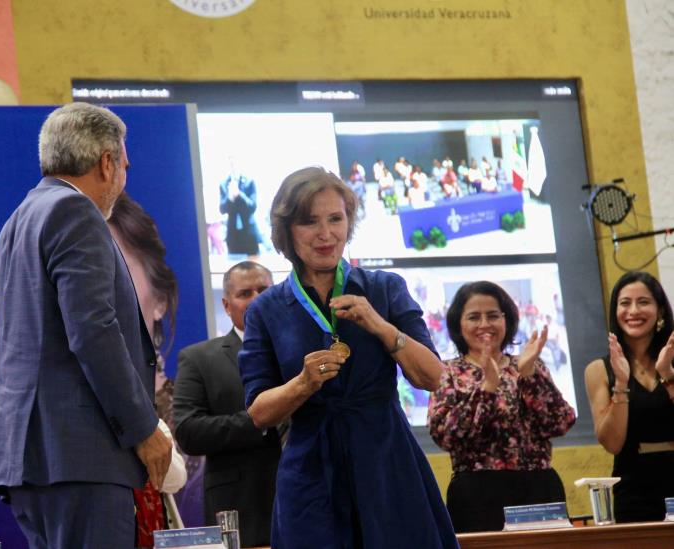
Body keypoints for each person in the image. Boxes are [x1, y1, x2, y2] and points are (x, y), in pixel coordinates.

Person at [239, 166, 458, 549]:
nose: (326, 234)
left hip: (386, 461)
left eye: (335, 219)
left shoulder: (386, 288)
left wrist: (380, 325)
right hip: (310, 473)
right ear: (287, 230)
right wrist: (303, 384)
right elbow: (259, 412)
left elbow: (434, 378)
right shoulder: (266, 309)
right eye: (310, 222)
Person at [0, 102, 172, 549]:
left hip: (33, 463)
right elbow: (93, 332)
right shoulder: (76, 212)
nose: (124, 177)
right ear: (106, 164)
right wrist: (144, 428)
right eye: (124, 165)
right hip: (80, 458)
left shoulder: (19, 220)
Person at [428, 281, 575, 533]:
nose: (485, 324)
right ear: (458, 324)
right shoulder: (448, 372)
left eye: (493, 315)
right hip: (477, 495)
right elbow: (446, 435)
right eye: (474, 317)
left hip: (538, 489)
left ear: (506, 320)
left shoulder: (530, 364)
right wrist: (487, 389)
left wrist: (529, 375)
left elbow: (560, 422)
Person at [173, 261, 281, 548]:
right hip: (241, 511)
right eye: (245, 293)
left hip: (313, 501)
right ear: (227, 305)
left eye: (264, 290)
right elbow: (188, 432)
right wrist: (257, 420)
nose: (256, 299)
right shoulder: (199, 358)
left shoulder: (305, 352)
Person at [108, 192, 187, 547]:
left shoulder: (181, 406)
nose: (95, 288)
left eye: (113, 269)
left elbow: (173, 477)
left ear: (159, 301)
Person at [584, 271, 674, 523]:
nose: (633, 310)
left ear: (661, 311)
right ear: (615, 311)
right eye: (625, 303)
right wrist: (622, 382)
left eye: (643, 302)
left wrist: (667, 375)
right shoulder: (598, 370)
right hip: (634, 492)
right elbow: (612, 443)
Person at [219, 161, 260, 256]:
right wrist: (229, 198)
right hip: (232, 234)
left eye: (235, 162)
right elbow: (222, 209)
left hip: (249, 233)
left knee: (253, 265)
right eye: (230, 162)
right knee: (234, 267)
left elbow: (252, 207)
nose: (233, 165)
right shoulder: (224, 184)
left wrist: (239, 195)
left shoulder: (249, 182)